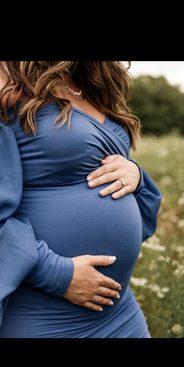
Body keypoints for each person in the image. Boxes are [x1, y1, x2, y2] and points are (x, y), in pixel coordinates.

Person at [0, 61, 162, 337]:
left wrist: (135, 174)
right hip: (44, 311)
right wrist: (57, 274)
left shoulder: (89, 81)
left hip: (119, 311)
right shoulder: (7, 78)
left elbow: (94, 167)